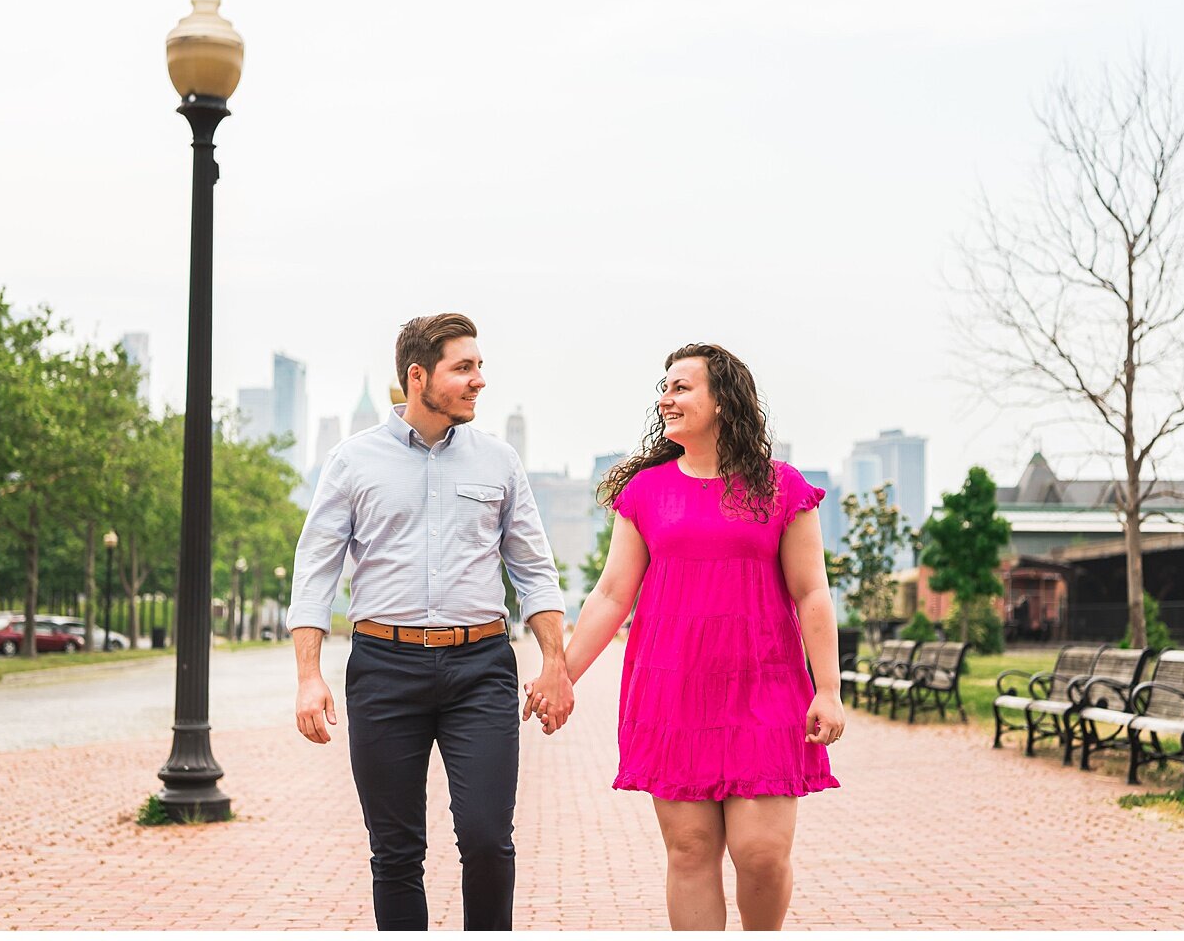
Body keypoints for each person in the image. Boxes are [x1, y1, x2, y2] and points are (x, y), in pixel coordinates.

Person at [528, 342, 844, 930]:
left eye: (681, 386)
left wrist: (828, 687)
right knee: (692, 851)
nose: (666, 398)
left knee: (762, 854)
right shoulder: (645, 492)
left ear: (722, 400)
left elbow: (812, 593)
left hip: (766, 688)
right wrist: (560, 674)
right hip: (673, 694)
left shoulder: (781, 486)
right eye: (664, 388)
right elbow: (611, 595)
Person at [288, 312, 573, 931]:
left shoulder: (499, 462)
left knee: (488, 839)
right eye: (463, 368)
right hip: (384, 670)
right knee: (395, 855)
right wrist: (309, 676)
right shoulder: (352, 462)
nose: (478, 381)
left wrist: (556, 663)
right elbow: (314, 572)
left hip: (481, 669)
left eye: (479, 367)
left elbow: (533, 571)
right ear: (419, 377)